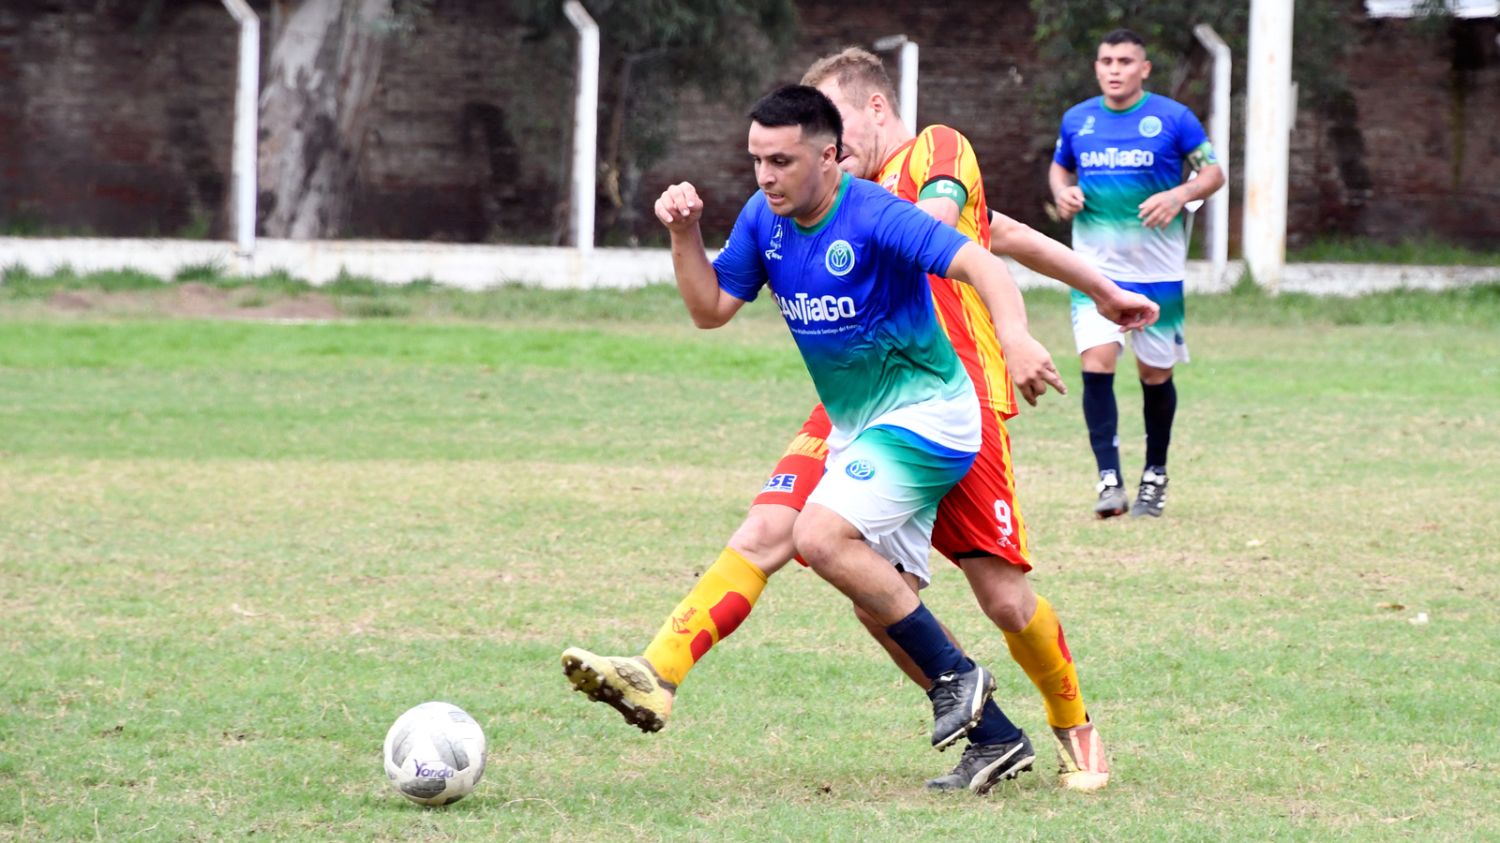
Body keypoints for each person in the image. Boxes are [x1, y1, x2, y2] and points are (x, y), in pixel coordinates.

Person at [565, 53, 1156, 795]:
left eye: (795, 152)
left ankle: (1075, 726)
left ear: (860, 122)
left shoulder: (923, 159)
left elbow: (961, 229)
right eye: (760, 160)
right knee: (819, 557)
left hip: (946, 391)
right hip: (853, 402)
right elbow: (1004, 231)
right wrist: (1102, 286)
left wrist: (1015, 317)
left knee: (999, 596)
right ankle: (659, 672)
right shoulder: (790, 207)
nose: (769, 173)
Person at [1049, 28, 1225, 518]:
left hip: (1158, 275)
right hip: (1095, 274)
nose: (1114, 69)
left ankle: (1155, 474)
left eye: (1125, 61)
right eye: (1106, 60)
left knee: (1154, 374)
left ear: (1143, 69)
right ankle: (1109, 480)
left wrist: (1179, 194)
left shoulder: (1173, 118)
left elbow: (1212, 173)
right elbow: (1060, 168)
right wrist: (1064, 192)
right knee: (1097, 364)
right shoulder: (1078, 120)